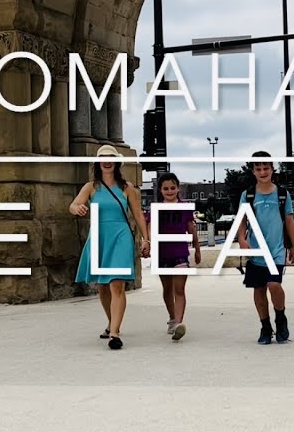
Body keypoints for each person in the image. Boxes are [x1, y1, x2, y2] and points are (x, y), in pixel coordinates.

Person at [70, 144, 149, 350]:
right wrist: (77, 207)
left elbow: (138, 214)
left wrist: (145, 239)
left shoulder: (127, 188)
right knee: (102, 286)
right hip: (99, 236)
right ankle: (111, 322)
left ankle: (114, 333)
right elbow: (73, 205)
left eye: (110, 158)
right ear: (98, 162)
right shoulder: (90, 187)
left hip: (121, 235)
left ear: (116, 162)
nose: (106, 161)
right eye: (103, 158)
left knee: (116, 284)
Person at [237, 151, 294, 345]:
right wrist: (241, 239)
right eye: (258, 168)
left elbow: (289, 221)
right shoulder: (248, 195)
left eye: (266, 168)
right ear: (253, 171)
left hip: (277, 250)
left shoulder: (282, 194)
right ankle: (265, 326)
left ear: (272, 169)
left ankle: (280, 318)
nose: (263, 172)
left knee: (274, 285)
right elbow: (242, 220)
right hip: (256, 251)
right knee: (259, 289)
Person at [153, 171, 201, 341]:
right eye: (166, 188)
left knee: (179, 289)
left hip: (180, 253)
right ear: (160, 190)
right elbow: (151, 229)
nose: (169, 191)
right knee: (167, 289)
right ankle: (172, 319)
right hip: (162, 254)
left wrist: (197, 248)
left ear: (178, 188)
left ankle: (179, 323)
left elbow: (191, 228)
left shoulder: (185, 207)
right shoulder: (156, 209)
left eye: (173, 187)